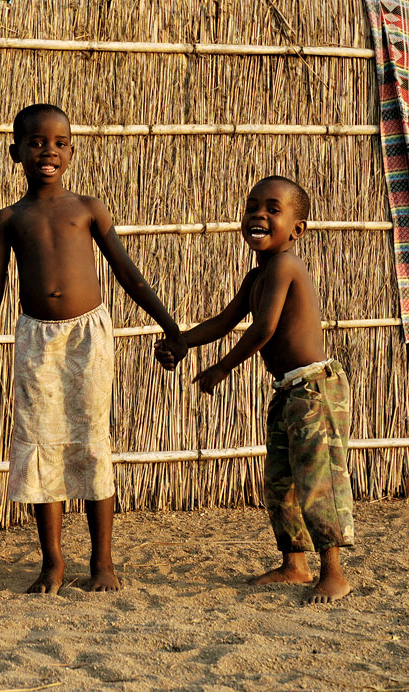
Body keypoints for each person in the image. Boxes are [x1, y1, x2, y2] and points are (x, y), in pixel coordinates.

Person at [0, 104, 188, 595]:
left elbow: (128, 273)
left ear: (71, 151)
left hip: (89, 336)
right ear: (15, 152)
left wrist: (171, 326)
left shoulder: (87, 209)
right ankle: (52, 562)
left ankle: (103, 562)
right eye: (35, 142)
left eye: (58, 142)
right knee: (41, 443)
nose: (47, 151)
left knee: (92, 441)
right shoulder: (9, 219)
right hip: (37, 338)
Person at [156, 175, 354, 604]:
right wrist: (181, 340)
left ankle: (334, 571)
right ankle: (294, 564)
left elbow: (262, 330)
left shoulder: (286, 266)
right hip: (289, 391)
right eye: (251, 207)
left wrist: (221, 368)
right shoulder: (255, 277)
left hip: (315, 390)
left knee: (318, 479)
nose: (258, 215)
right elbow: (222, 322)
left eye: (272, 209)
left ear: (297, 229)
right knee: (280, 481)